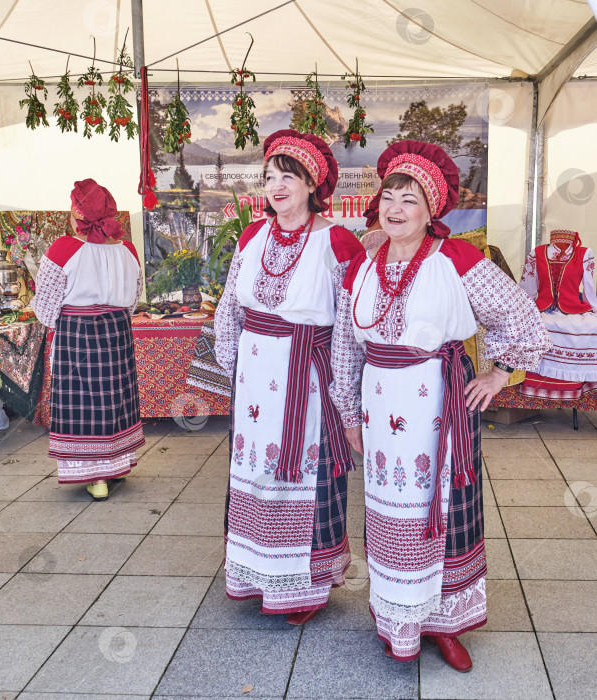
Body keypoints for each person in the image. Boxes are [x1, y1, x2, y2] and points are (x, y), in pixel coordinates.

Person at [330, 140, 549, 670]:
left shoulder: (458, 258)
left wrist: (498, 374)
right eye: (390, 197)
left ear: (431, 211)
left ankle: (446, 623)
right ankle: (396, 619)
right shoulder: (364, 263)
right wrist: (347, 413)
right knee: (388, 511)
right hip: (381, 408)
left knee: (443, 510)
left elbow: (522, 318)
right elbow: (343, 343)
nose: (396, 209)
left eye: (410, 200)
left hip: (438, 403)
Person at [214, 129, 363, 625]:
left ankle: (304, 589)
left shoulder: (337, 240)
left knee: (304, 474)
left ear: (312, 184)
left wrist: (347, 396)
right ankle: (256, 574)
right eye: (269, 177)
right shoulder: (252, 234)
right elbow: (230, 303)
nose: (276, 186)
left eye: (288, 177)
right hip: (256, 375)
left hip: (308, 376)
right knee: (255, 470)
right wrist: (229, 358)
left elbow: (347, 325)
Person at [31, 178, 145, 501]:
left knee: (87, 402)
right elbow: (134, 298)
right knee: (113, 398)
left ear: (77, 215)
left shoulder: (64, 249)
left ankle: (96, 477)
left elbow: (45, 306)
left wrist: (61, 320)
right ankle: (116, 465)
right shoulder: (128, 250)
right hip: (117, 330)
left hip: (78, 333)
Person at [519, 229, 597, 399]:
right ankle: (536, 381)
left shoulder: (584, 254)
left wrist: (594, 309)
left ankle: (578, 382)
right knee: (532, 326)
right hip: (543, 308)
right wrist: (523, 307)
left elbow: (589, 287)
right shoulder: (537, 253)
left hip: (573, 308)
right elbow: (528, 286)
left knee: (589, 328)